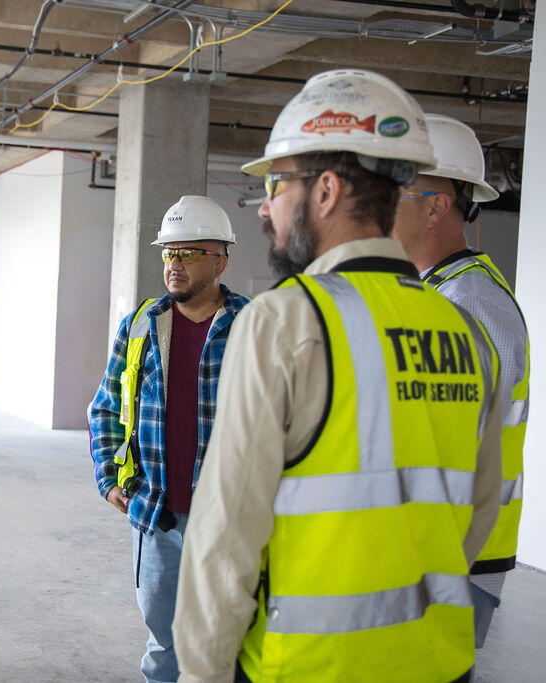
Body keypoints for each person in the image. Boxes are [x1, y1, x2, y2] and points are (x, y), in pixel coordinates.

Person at [172, 69, 503, 682]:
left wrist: (201, 673)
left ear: (325, 191)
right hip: (437, 662)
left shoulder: (287, 321)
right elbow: (477, 511)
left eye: (276, 184)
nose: (266, 207)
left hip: (308, 665)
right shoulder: (466, 332)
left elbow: (225, 538)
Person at [89, 195, 250, 683]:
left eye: (188, 253)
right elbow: (106, 408)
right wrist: (110, 481)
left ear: (219, 260)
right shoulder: (141, 323)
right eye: (167, 253)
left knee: (235, 645)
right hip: (157, 516)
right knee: (164, 644)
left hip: (231, 520)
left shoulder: (255, 324)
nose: (173, 265)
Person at [392, 113, 528, 648]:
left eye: (394, 192)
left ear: (437, 206)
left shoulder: (467, 303)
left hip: (455, 562)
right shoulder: (436, 293)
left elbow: (441, 439)